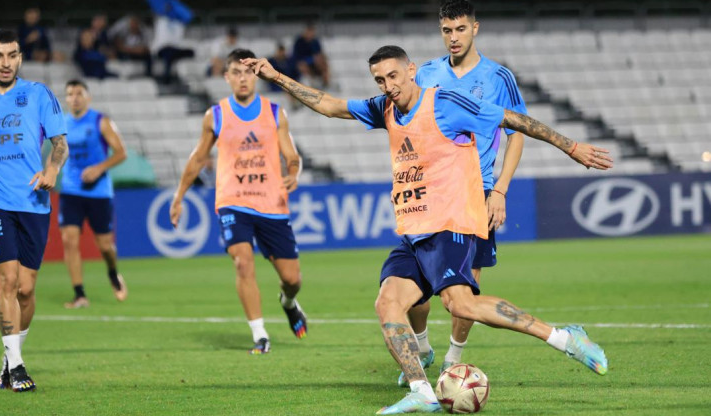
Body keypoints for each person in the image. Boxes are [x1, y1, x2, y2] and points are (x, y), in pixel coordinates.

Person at [242, 46, 612, 413]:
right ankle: (422, 390)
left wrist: (570, 146)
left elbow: (512, 120)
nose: (388, 85)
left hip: (451, 224)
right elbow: (329, 104)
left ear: (411, 71)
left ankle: (565, 338)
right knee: (388, 303)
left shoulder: (446, 103)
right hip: (414, 231)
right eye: (380, 80)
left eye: (393, 76)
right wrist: (275, 77)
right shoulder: (384, 108)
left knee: (460, 303)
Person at [398, 0, 530, 386]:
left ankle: (453, 361)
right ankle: (421, 347)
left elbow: (516, 133)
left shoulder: (498, 77)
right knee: (419, 286)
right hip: (431, 190)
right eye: (446, 31)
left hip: (477, 191)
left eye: (460, 29)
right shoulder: (426, 73)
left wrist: (500, 190)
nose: (453, 38)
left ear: (475, 28)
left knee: (467, 286)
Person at [170, 49, 308, 354]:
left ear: (256, 75)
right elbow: (197, 158)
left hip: (272, 203)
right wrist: (179, 196)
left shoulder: (275, 113)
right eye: (236, 72)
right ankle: (260, 334)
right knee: (242, 263)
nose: (243, 78)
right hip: (233, 202)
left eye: (248, 72)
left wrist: (294, 172)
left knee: (292, 279)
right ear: (226, 77)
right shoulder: (215, 115)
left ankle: (288, 302)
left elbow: (291, 155)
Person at [0, 29, 68, 392]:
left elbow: (60, 145)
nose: (5, 63)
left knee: (26, 288)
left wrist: (52, 169)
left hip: (33, 202)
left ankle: (10, 357)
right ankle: (18, 367)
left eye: (12, 55)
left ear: (20, 58)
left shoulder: (39, 95)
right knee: (6, 280)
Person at [61, 79, 128, 309]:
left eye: (79, 93)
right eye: (70, 94)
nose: (75, 97)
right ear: (66, 99)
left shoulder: (101, 121)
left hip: (99, 192)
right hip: (71, 189)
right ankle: (79, 294)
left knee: (105, 246)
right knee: (69, 240)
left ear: (88, 97)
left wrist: (99, 168)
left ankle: (112, 272)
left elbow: (121, 153)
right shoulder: (61, 123)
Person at [292, 22, 330, 87]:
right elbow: (297, 57)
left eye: (312, 32)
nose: (311, 34)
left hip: (314, 63)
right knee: (303, 66)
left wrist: (319, 59)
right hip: (302, 62)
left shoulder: (315, 42)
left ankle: (326, 84)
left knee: (324, 63)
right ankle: (311, 83)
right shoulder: (299, 42)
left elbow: (319, 54)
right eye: (309, 32)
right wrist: (311, 59)